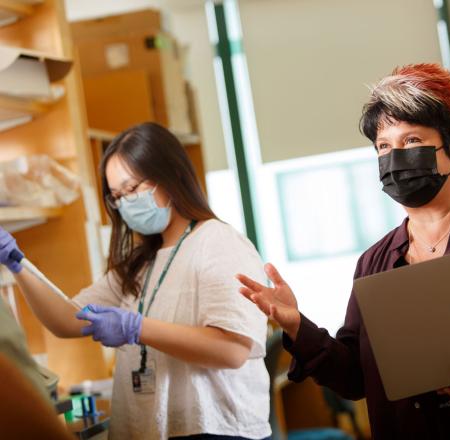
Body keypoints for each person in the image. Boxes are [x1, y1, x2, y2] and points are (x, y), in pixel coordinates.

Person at [237, 63, 450, 439]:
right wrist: (296, 324)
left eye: (411, 141)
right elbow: (354, 379)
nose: (394, 158)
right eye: (383, 146)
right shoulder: (375, 263)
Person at [0, 122, 271, 440]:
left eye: (132, 189)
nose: (126, 202)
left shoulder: (218, 242)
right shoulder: (140, 263)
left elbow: (231, 350)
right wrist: (18, 265)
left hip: (218, 431)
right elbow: (66, 320)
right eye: (117, 196)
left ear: (169, 175)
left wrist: (136, 328)